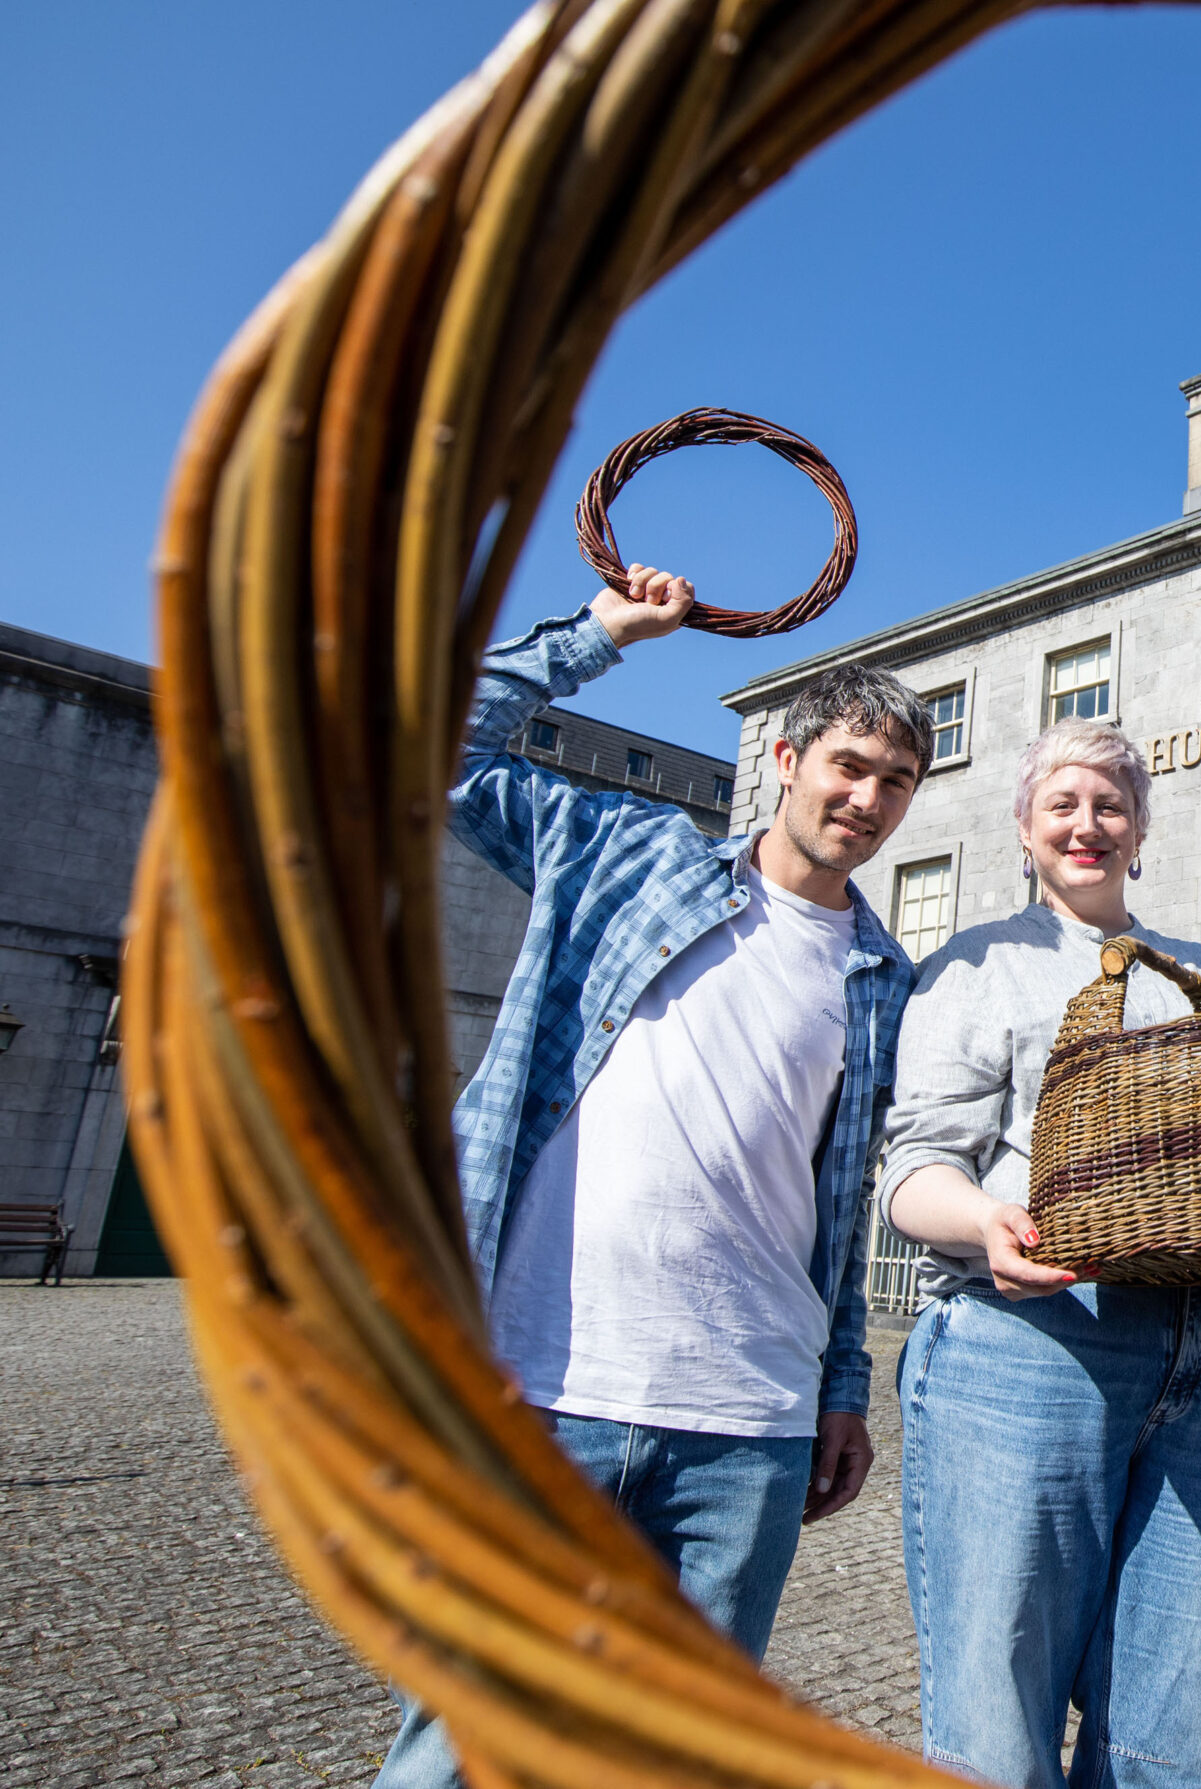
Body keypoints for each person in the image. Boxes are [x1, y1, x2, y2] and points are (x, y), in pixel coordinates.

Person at [374, 568, 931, 1789]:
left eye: (896, 781)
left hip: (748, 1430)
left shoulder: (885, 980)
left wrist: (842, 1385)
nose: (868, 797)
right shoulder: (626, 853)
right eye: (849, 763)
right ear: (785, 758)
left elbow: (833, 1220)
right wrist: (602, 634)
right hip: (545, 1387)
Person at [879, 717, 1201, 1789]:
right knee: (998, 1719)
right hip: (1027, 1345)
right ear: (1023, 827)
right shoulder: (976, 965)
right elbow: (913, 1171)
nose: (1087, 824)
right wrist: (987, 1222)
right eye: (1062, 804)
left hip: (1200, 1355)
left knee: (1181, 1735)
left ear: (1142, 830)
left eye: (1110, 804)